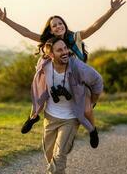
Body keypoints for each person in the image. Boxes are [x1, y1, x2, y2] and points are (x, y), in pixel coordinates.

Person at [0, 0, 126, 148]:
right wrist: (5, 20)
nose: (58, 26)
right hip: (54, 78)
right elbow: (26, 32)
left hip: (76, 80)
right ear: (51, 30)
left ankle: (93, 130)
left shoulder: (75, 37)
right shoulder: (48, 42)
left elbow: (95, 26)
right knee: (39, 94)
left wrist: (111, 10)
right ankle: (33, 117)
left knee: (87, 110)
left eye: (60, 23)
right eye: (54, 25)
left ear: (64, 25)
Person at [31, 37, 103, 173]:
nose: (64, 52)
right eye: (59, 50)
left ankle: (78, 138)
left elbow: (97, 80)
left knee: (59, 158)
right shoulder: (44, 66)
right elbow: (38, 86)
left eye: (65, 48)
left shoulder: (77, 67)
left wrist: (93, 100)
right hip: (50, 117)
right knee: (50, 156)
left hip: (70, 118)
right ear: (51, 54)